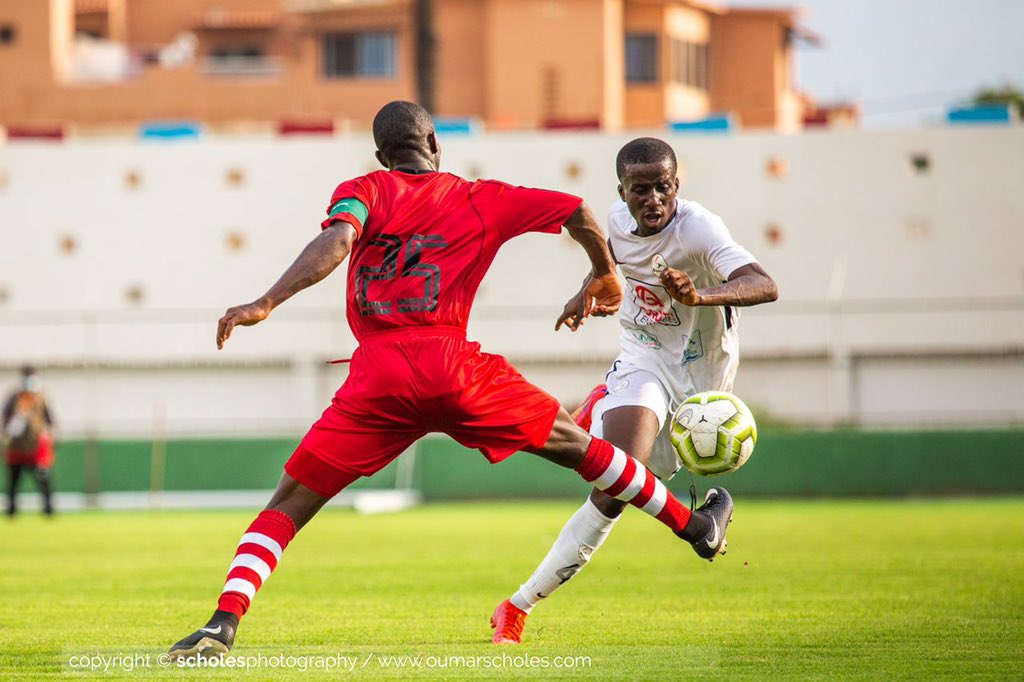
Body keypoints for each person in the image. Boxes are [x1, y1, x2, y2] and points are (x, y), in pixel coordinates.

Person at [168, 103, 735, 659]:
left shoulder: (364, 189)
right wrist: (605, 273)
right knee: (582, 449)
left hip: (378, 376)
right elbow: (581, 213)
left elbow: (339, 242)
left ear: (381, 156)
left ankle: (222, 624)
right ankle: (694, 527)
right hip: (455, 369)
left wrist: (267, 301)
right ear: (436, 146)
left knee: (288, 503)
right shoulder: (478, 196)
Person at [490, 137, 778, 644]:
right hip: (643, 356)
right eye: (639, 189)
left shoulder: (700, 229)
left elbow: (764, 282)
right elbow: (612, 265)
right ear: (621, 192)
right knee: (615, 486)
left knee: (634, 480)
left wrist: (701, 294)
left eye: (661, 188)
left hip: (703, 376)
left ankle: (609, 424)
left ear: (676, 187)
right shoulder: (615, 225)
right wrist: (586, 293)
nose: (652, 200)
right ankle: (516, 608)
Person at [3, 366, 57, 517]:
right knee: (13, 480)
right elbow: (5, 418)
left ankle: (48, 509)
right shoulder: (14, 397)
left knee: (43, 479)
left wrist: (51, 436)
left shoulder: (41, 398)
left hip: (36, 446)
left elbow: (50, 420)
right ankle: (11, 510)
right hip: (17, 447)